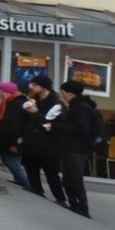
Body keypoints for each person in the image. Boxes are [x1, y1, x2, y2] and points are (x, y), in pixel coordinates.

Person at [45, 80, 96, 218]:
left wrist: (55, 126)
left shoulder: (82, 107)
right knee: (67, 179)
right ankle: (74, 204)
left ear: (70, 93)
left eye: (63, 93)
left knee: (75, 178)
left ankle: (83, 208)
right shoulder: (75, 106)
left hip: (77, 149)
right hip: (70, 148)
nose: (62, 96)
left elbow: (82, 128)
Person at [20, 74, 67, 206]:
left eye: (35, 85)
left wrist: (35, 113)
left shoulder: (56, 104)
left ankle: (60, 198)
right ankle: (36, 187)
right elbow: (26, 121)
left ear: (44, 87)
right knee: (30, 164)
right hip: (31, 140)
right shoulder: (33, 99)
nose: (32, 87)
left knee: (50, 171)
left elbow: (49, 126)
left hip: (48, 143)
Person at [0, 81, 31, 189]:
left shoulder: (16, 104)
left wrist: (14, 141)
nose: (0, 94)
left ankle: (27, 183)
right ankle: (20, 180)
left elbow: (16, 124)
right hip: (7, 138)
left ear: (8, 92)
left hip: (12, 139)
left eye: (1, 91)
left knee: (12, 161)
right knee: (8, 160)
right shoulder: (9, 102)